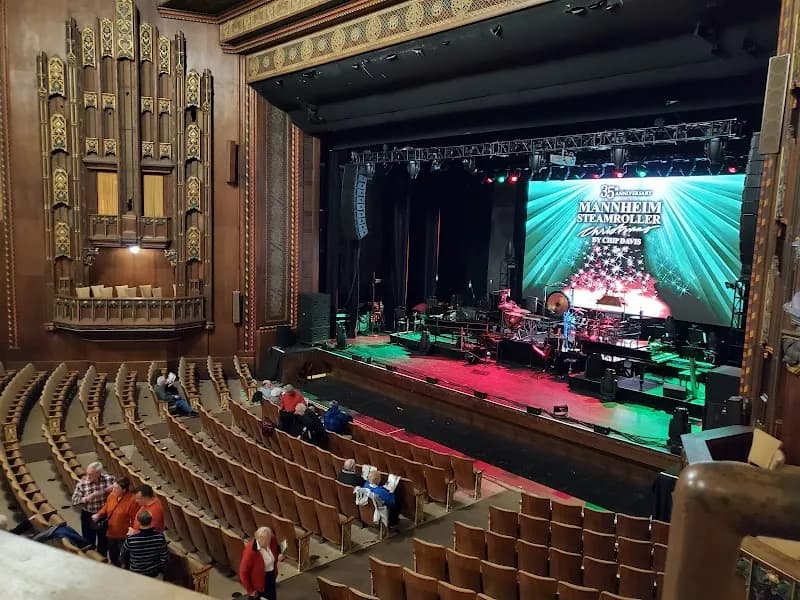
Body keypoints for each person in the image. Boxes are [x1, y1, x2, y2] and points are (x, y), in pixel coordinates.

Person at [92, 477, 138, 566]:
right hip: (111, 533)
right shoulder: (112, 495)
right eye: (113, 487)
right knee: (113, 556)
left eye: (116, 488)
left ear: (124, 490)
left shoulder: (132, 501)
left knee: (125, 558)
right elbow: (106, 506)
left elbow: (134, 518)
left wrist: (133, 531)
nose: (113, 490)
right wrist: (99, 514)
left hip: (124, 536)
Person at [71, 461, 114, 553]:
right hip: (88, 514)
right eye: (87, 474)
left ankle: (102, 558)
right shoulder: (82, 484)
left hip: (103, 514)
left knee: (103, 540)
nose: (88, 476)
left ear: (98, 473)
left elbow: (120, 487)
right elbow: (74, 501)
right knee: (88, 540)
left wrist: (105, 490)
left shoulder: (109, 479)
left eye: (91, 474)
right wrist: (87, 498)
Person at [120, 511, 169, 578]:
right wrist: (162, 572)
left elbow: (122, 555)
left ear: (138, 522)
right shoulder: (159, 537)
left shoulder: (131, 540)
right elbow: (164, 557)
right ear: (151, 520)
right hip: (153, 572)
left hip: (136, 573)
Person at [240, 526, 283, 600]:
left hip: (271, 576)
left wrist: (279, 554)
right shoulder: (250, 552)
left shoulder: (271, 540)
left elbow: (277, 549)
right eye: (266, 540)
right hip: (259, 582)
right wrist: (250, 591)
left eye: (269, 539)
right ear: (259, 538)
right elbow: (243, 573)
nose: (268, 542)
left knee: (272, 597)